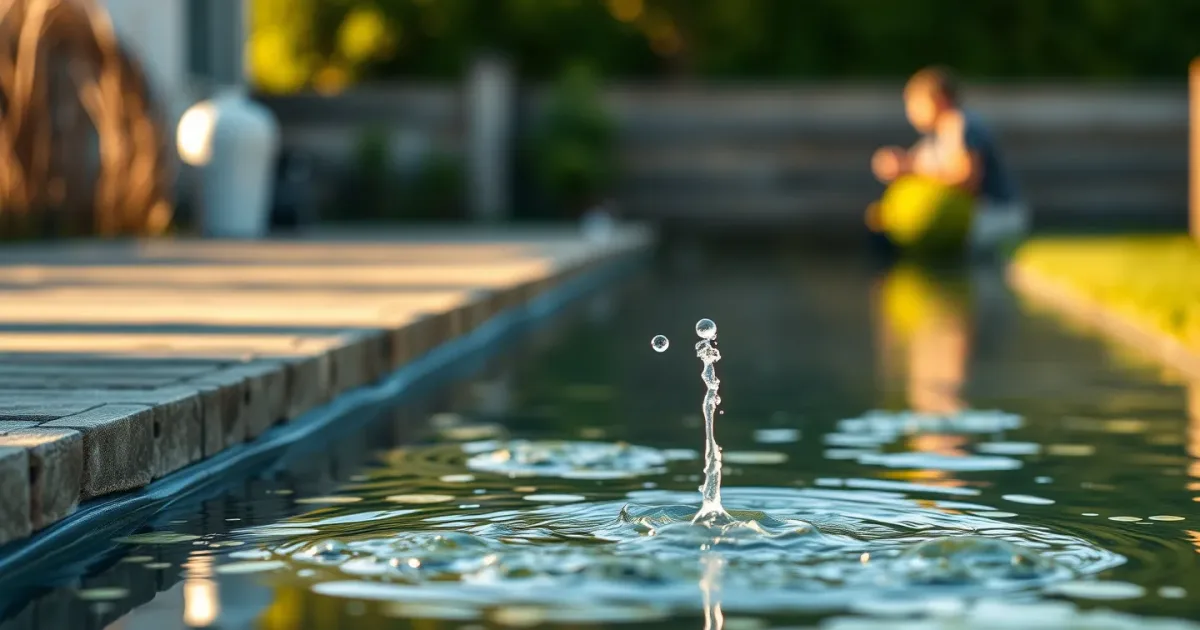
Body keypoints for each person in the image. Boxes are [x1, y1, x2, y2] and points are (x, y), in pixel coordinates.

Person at [871, 66, 1028, 256]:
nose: (910, 112)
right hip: (971, 218)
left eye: (914, 103)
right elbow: (913, 165)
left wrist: (914, 170)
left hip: (995, 214)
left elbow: (968, 179)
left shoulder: (964, 124)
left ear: (939, 100)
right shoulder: (933, 138)